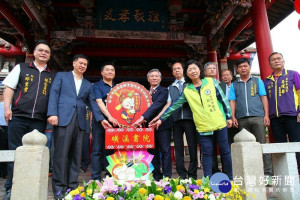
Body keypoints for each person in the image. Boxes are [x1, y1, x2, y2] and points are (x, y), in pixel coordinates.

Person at [150, 60, 233, 180]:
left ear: (200, 70)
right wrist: (161, 119)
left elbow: (223, 99)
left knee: (225, 151)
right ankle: (207, 180)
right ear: (187, 74)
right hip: (203, 125)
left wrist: (229, 116)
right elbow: (174, 105)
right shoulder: (187, 90)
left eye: (195, 68)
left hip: (219, 122)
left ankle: (229, 178)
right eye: (190, 70)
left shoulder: (211, 81)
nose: (193, 71)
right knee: (207, 153)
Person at [47, 54, 110, 200]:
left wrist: (101, 120)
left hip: (80, 121)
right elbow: (54, 94)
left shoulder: (88, 84)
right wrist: (52, 113)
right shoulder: (62, 76)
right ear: (74, 63)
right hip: (63, 119)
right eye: (80, 63)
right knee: (61, 155)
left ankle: (72, 188)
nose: (82, 66)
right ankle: (59, 190)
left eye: (85, 64)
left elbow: (93, 104)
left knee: (76, 156)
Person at [2, 40, 55, 200]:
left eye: (46, 51)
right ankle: (11, 188)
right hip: (18, 117)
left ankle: (30, 186)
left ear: (50, 55)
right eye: (40, 50)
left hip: (39, 120)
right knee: (15, 153)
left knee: (35, 155)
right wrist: (6, 108)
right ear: (34, 52)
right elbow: (9, 87)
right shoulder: (22, 68)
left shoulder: (52, 75)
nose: (43, 53)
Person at [150, 62, 198, 179]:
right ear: (172, 72)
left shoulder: (190, 84)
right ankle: (181, 173)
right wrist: (160, 118)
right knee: (178, 147)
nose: (177, 70)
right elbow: (168, 104)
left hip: (190, 119)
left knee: (192, 146)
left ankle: (192, 173)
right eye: (174, 69)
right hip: (175, 120)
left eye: (179, 68)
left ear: (183, 70)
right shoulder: (170, 87)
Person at [229, 58, 272, 177]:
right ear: (237, 69)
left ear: (249, 67)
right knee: (246, 147)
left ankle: (267, 173)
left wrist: (266, 115)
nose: (243, 68)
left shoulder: (257, 81)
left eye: (245, 66)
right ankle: (251, 173)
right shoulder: (234, 84)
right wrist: (233, 117)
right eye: (240, 67)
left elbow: (263, 98)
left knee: (261, 145)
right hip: (242, 118)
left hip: (258, 116)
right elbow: (232, 101)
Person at [132, 69, 172, 181]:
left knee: (165, 150)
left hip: (162, 125)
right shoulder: (143, 92)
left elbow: (157, 105)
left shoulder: (164, 91)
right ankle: (155, 175)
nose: (154, 78)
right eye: (152, 76)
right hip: (148, 127)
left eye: (156, 76)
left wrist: (142, 117)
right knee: (152, 151)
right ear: (148, 79)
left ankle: (167, 175)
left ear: (160, 79)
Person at [264, 52, 300, 174]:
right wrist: (267, 115)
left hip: (292, 115)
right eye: (273, 60)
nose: (276, 61)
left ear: (283, 61)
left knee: (297, 142)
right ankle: (286, 172)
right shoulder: (267, 81)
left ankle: (299, 170)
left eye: (279, 59)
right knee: (280, 144)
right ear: (269, 64)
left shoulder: (293, 74)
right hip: (275, 118)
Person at [91, 62, 119, 181]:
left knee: (112, 150)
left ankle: (110, 176)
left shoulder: (118, 87)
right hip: (100, 122)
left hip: (115, 124)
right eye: (107, 70)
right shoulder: (96, 86)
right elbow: (99, 102)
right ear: (102, 72)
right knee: (97, 150)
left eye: (112, 70)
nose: (110, 72)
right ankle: (96, 177)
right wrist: (109, 116)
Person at [203, 62, 223, 175]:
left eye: (213, 68)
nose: (212, 70)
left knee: (224, 147)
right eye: (209, 68)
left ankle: (226, 173)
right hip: (208, 120)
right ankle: (212, 170)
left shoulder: (221, 84)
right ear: (204, 71)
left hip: (221, 119)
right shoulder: (203, 84)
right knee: (209, 148)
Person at [221, 69, 239, 146]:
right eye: (223, 75)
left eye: (227, 75)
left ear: (231, 77)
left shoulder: (235, 86)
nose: (225, 77)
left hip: (236, 113)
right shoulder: (220, 87)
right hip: (224, 115)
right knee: (226, 137)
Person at [80, 107, 92, 173]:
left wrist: (91, 131)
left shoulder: (89, 108)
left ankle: (84, 166)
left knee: (85, 148)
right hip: (77, 128)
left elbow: (90, 120)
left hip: (86, 130)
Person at [0, 101, 8, 179]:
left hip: (9, 127)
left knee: (6, 150)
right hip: (2, 127)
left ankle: (5, 172)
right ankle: (3, 172)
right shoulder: (1, 104)